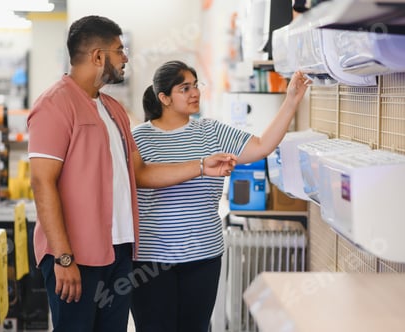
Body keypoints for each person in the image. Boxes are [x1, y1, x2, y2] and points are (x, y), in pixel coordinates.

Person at [27, 16, 236, 332]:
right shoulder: (54, 105)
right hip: (76, 258)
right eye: (118, 50)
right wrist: (63, 258)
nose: (125, 58)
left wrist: (202, 166)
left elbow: (141, 173)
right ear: (98, 56)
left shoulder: (112, 109)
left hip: (118, 253)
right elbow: (42, 182)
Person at [130, 60, 309, 332]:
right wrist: (200, 167)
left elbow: (261, 147)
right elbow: (140, 179)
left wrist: (291, 100)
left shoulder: (211, 131)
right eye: (184, 88)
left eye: (196, 85)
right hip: (151, 259)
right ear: (164, 98)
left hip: (203, 254)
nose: (195, 93)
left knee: (197, 327)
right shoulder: (139, 138)